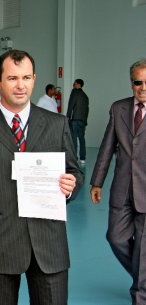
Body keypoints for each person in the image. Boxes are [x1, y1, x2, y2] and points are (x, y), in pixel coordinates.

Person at [0, 49, 83, 305]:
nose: (20, 86)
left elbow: (74, 171)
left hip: (49, 244)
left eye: (26, 78)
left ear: (34, 79)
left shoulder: (56, 123)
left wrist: (70, 186)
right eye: (13, 78)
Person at [90, 58, 146, 305]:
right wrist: (97, 181)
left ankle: (140, 295)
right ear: (131, 83)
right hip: (122, 190)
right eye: (138, 82)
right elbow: (106, 146)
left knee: (144, 250)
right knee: (116, 238)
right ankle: (142, 276)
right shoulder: (118, 108)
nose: (143, 87)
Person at [66, 78, 89, 164]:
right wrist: (85, 122)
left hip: (75, 119)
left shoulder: (74, 92)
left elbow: (70, 104)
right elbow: (87, 110)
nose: (73, 85)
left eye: (74, 83)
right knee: (82, 139)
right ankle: (83, 158)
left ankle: (74, 158)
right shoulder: (85, 96)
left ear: (79, 84)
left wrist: (67, 116)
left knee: (73, 139)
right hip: (82, 121)